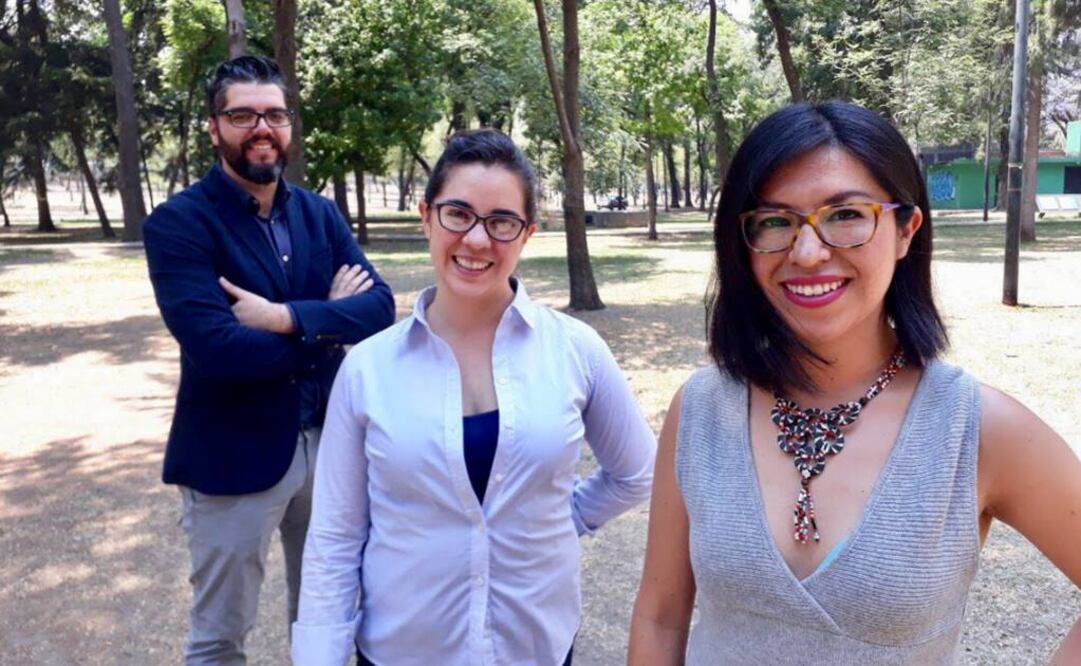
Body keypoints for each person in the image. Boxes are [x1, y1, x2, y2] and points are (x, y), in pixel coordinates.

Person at [628, 101, 1081, 664]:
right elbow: (660, 614)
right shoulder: (700, 409)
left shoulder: (979, 428)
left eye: (845, 215)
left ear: (904, 230)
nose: (808, 251)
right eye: (774, 221)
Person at [291, 129, 656, 665]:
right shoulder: (367, 369)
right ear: (426, 216)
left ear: (527, 233)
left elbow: (637, 472)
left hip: (535, 649)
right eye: (457, 213)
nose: (477, 240)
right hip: (402, 650)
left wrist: (566, 516)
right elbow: (335, 538)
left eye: (501, 221)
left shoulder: (575, 350)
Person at [143, 55, 395, 664]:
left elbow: (380, 308)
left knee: (327, 620)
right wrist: (329, 324)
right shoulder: (179, 225)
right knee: (219, 640)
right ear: (213, 127)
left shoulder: (319, 213)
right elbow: (218, 350)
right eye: (242, 115)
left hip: (333, 447)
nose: (262, 128)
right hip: (233, 458)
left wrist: (284, 319)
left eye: (275, 114)